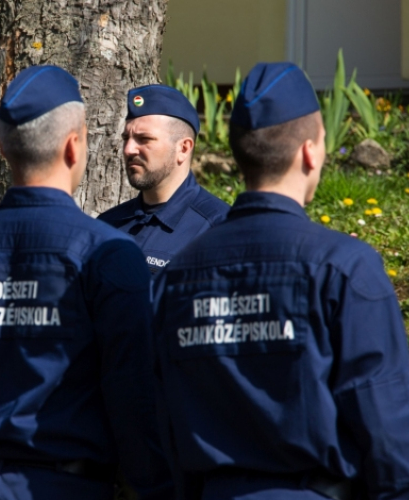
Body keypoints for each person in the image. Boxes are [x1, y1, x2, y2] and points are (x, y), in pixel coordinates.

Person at [0, 65, 170, 500]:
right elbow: (134, 398)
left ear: (2, 149)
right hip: (65, 485)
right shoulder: (107, 254)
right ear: (73, 146)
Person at [152, 62, 409, 500]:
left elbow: (157, 418)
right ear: (310, 152)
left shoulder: (175, 276)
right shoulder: (344, 267)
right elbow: (387, 431)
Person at [98, 85, 229, 273]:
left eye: (144, 139)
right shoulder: (108, 224)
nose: (128, 149)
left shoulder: (218, 229)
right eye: (126, 138)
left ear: (183, 148)